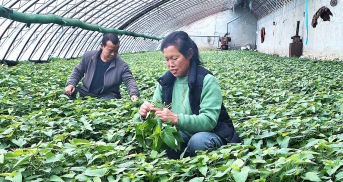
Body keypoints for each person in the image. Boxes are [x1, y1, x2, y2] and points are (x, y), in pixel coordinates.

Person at [138, 31, 240, 159]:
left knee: (199, 141)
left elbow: (209, 121)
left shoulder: (206, 80)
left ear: (190, 54)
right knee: (163, 138)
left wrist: (176, 119)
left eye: (175, 58)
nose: (171, 64)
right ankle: (183, 161)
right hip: (182, 134)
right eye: (167, 59)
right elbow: (157, 115)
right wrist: (145, 114)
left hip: (211, 133)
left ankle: (191, 159)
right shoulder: (165, 83)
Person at [65, 33, 139, 100]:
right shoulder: (89, 56)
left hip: (107, 95)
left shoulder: (122, 65)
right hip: (87, 92)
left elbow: (129, 80)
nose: (113, 54)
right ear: (102, 46)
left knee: (110, 102)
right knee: (68, 94)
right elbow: (78, 71)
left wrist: (134, 94)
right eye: (110, 50)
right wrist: (71, 84)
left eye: (116, 50)